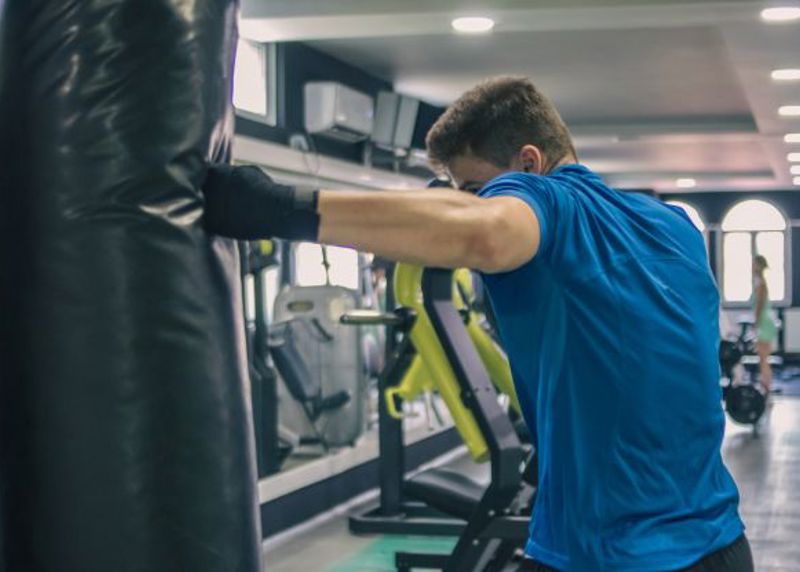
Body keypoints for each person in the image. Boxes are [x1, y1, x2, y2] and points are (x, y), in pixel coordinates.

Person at [202, 76, 752, 571]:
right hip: (721, 545)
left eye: (473, 187)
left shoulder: (549, 202)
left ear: (531, 164)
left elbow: (484, 233)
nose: (470, 201)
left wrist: (277, 208)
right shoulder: (673, 223)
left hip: (613, 555)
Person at [752, 254, 777, 394]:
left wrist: (755, 323)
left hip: (764, 323)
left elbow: (759, 305)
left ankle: (766, 386)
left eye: (754, 264)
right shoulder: (759, 281)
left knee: (763, 358)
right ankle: (765, 384)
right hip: (764, 321)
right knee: (762, 358)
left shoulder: (760, 282)